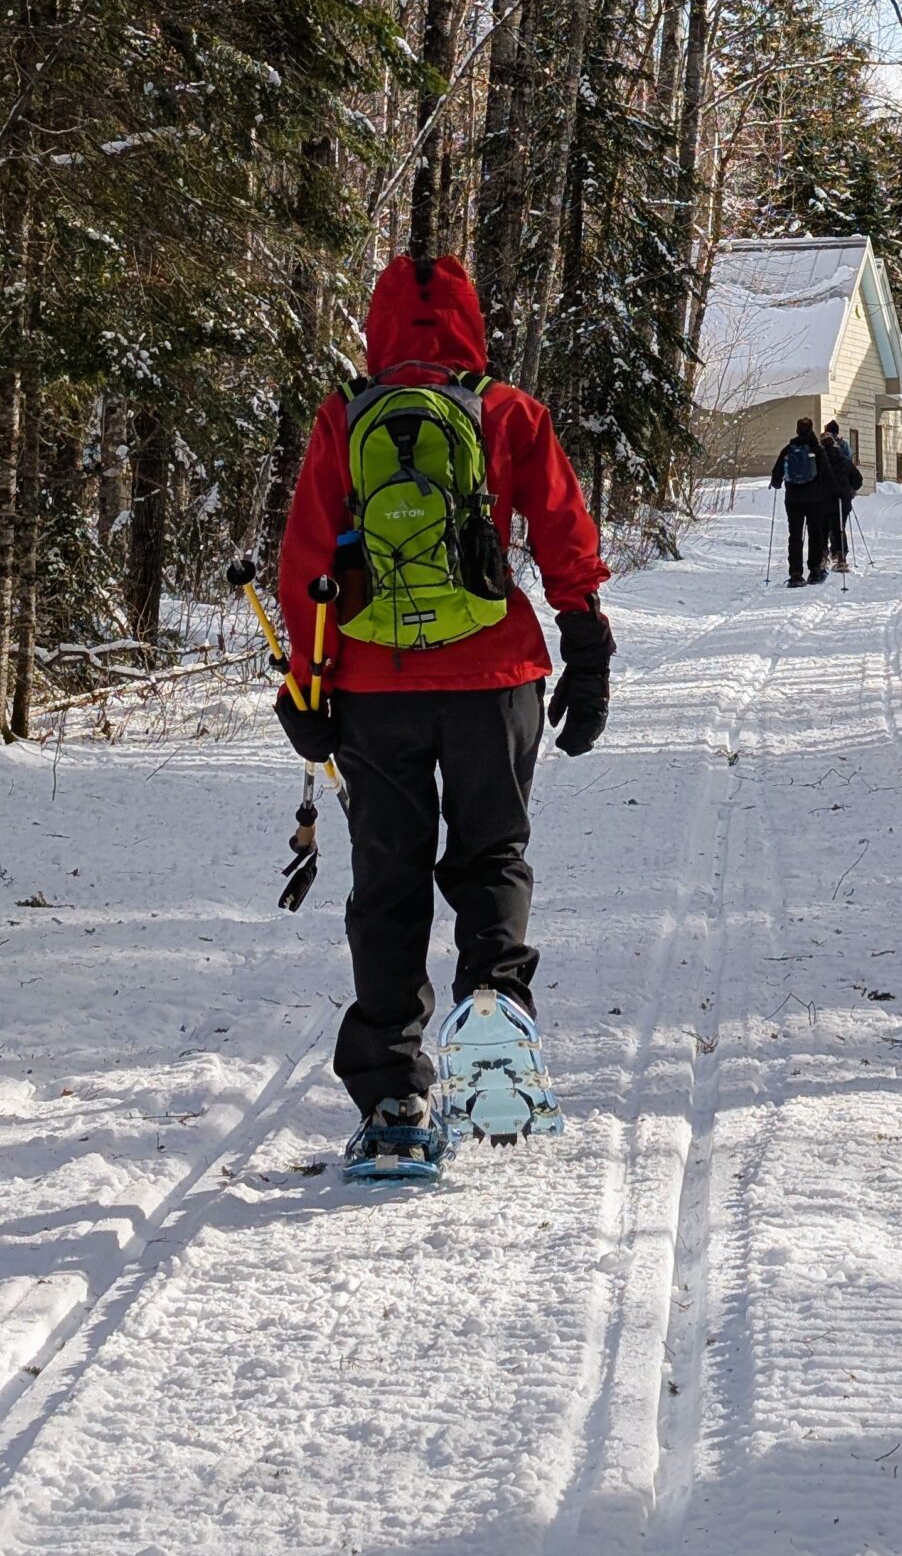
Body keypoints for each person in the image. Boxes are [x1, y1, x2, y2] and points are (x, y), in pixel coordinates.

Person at [276, 250, 612, 1168]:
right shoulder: (507, 412)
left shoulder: (345, 419)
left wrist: (305, 682)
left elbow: (307, 558)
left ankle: (391, 1100)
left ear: (378, 328)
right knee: (491, 854)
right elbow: (561, 531)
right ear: (473, 322)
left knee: (387, 883)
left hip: (374, 690)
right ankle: (497, 1012)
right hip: (495, 679)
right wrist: (586, 644)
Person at [770, 416, 836, 585]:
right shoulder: (817, 449)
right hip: (815, 499)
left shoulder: (788, 449)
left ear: (797, 430)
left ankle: (795, 574)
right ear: (811, 429)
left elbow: (776, 477)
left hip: (793, 500)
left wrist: (777, 482)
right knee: (815, 534)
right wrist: (837, 491)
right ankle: (814, 571)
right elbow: (827, 474)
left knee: (795, 536)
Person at [820, 419, 862, 567]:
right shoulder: (844, 449)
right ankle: (840, 553)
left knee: (823, 527)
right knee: (839, 527)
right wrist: (849, 489)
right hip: (843, 496)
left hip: (824, 497)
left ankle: (824, 554)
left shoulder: (820, 455)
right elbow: (855, 476)